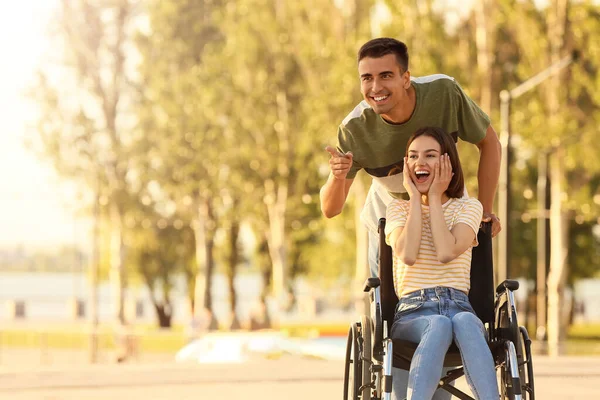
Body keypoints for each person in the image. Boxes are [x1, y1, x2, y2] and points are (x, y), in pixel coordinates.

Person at [319, 37, 501, 399]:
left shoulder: (443, 93)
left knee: (461, 318)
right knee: (388, 302)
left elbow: (490, 143)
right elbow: (330, 208)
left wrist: (485, 209)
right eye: (366, 78)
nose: (375, 88)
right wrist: (338, 177)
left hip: (448, 199)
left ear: (406, 78)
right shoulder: (355, 128)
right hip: (392, 207)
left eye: (385, 75)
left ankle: (440, 391)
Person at [385, 126, 499, 399]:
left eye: (430, 155)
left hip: (459, 305)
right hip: (413, 311)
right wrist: (416, 198)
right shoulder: (397, 209)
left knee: (466, 322)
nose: (419, 163)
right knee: (438, 323)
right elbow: (408, 254)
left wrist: (435, 197)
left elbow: (446, 251)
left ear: (448, 163)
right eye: (412, 156)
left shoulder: (468, 207)